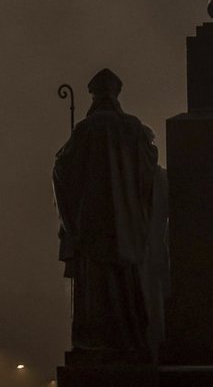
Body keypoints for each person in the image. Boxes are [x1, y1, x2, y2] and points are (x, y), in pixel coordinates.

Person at [53, 69, 159, 357]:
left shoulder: (85, 130)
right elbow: (149, 170)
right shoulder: (133, 128)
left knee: (96, 288)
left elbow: (61, 171)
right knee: (125, 283)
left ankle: (97, 340)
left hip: (93, 225)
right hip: (125, 224)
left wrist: (72, 217)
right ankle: (128, 337)